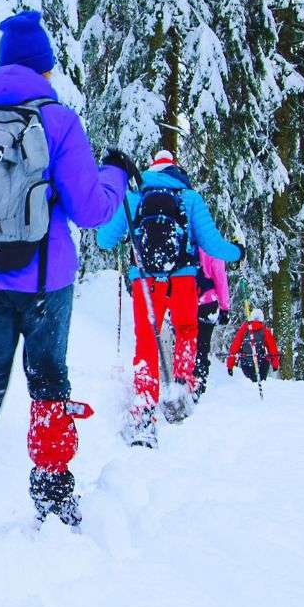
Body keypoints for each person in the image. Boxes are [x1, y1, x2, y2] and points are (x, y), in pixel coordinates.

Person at [0, 10, 134, 549]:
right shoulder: (57, 120)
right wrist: (115, 173)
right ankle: (54, 499)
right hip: (41, 284)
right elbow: (90, 210)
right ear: (45, 69)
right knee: (48, 382)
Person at [96, 149, 241, 432]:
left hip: (146, 280)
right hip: (183, 280)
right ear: (175, 169)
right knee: (186, 331)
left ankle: (144, 405)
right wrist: (239, 252)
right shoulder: (190, 198)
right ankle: (182, 387)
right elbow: (212, 246)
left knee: (146, 340)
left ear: (152, 169)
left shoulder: (135, 197)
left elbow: (104, 240)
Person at [193, 252, 231, 401]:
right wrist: (224, 307)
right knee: (203, 347)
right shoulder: (211, 245)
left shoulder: (186, 240)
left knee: (186, 343)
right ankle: (199, 383)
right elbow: (220, 277)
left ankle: (184, 379)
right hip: (207, 302)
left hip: (185, 300)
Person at [226, 309, 280, 383]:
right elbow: (272, 348)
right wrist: (275, 365)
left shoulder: (243, 330)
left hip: (246, 364)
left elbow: (234, 347)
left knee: (250, 383)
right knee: (260, 382)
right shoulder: (265, 331)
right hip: (261, 364)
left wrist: (230, 366)